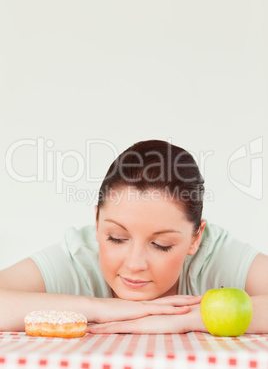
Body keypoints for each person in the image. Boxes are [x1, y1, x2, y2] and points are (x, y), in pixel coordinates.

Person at [0, 140, 268, 334]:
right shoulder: (79, 255)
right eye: (116, 238)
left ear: (196, 238)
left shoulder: (214, 253)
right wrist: (99, 308)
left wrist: (188, 318)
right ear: (96, 223)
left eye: (161, 245)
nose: (134, 264)